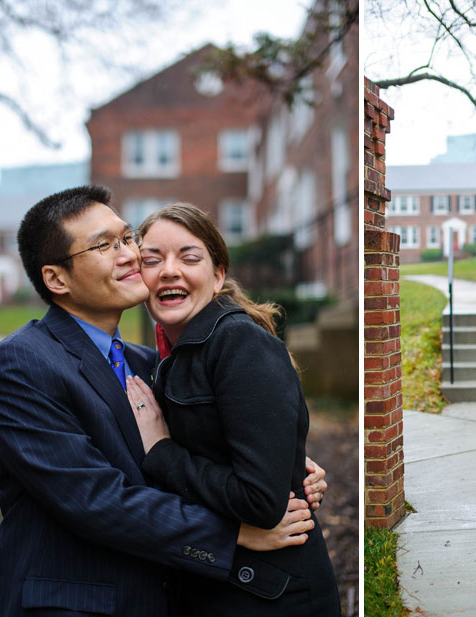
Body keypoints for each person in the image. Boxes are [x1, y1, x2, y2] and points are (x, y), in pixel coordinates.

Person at [0, 186, 327, 617]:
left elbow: (200, 450)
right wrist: (232, 533)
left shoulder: (149, 364)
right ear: (56, 279)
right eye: (104, 245)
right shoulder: (23, 363)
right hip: (71, 604)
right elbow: (94, 498)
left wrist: (288, 466)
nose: (129, 255)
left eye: (127, 239)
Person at [123, 202, 340, 616]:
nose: (169, 270)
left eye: (189, 257)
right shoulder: (169, 356)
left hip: (269, 595)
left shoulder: (238, 343)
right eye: (152, 259)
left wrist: (161, 451)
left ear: (218, 274)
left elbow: (261, 502)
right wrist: (290, 463)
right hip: (221, 585)